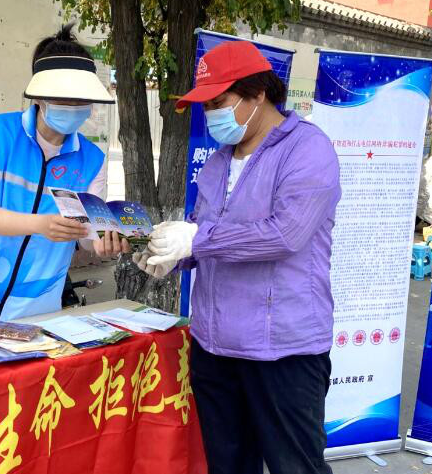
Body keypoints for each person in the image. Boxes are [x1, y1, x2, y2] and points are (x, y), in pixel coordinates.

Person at [134, 40, 341, 474]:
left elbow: (285, 234)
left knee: (295, 467)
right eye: (206, 105)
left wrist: (197, 241)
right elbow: (205, 234)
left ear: (258, 93)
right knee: (227, 464)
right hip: (215, 346)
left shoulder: (307, 149)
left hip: (282, 350)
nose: (211, 114)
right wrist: (172, 255)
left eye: (219, 102)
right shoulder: (218, 163)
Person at [0, 24, 129, 333]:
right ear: (39, 97)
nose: (74, 107)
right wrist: (42, 225)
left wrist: (102, 243)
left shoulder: (92, 160)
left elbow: (86, 234)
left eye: (82, 100)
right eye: (65, 98)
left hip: (35, 312)